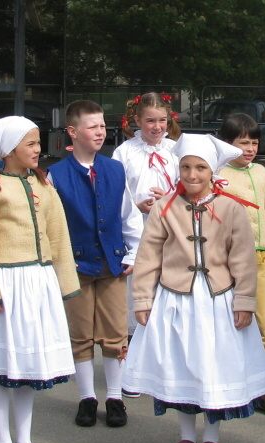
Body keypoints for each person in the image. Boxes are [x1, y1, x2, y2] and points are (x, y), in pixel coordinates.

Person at [121, 133, 265, 443]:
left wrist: (245, 301)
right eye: (186, 167)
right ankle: (187, 436)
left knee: (212, 368)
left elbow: (243, 260)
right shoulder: (164, 208)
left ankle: (212, 440)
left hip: (216, 301)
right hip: (176, 300)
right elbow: (148, 258)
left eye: (200, 168)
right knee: (183, 366)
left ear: (212, 171)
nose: (192, 175)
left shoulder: (230, 208)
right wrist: (143, 299)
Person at [0, 116, 79, 443]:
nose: (38, 149)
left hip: (39, 282)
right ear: (9, 150)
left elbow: (58, 235)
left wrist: (64, 283)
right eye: (30, 144)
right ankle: (1, 442)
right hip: (7, 284)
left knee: (28, 364)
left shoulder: (44, 185)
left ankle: (25, 439)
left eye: (36, 143)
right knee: (3, 366)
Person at [48, 100, 143, 428]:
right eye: (93, 126)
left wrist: (132, 253)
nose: (100, 132)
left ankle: (114, 397)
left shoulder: (115, 169)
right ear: (73, 132)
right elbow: (52, 226)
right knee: (81, 334)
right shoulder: (56, 175)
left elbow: (128, 215)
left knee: (116, 332)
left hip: (113, 265)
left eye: (103, 126)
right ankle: (87, 397)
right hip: (76, 267)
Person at [218, 113, 265, 418]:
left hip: (259, 260)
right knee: (226, 322)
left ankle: (263, 389)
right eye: (242, 142)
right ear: (227, 144)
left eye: (254, 142)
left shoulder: (261, 174)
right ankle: (226, 385)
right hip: (225, 262)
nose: (249, 148)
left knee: (263, 321)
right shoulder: (217, 173)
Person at [112, 92, 181, 397]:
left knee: (170, 296)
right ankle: (133, 369)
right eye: (150, 120)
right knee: (139, 299)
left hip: (173, 233)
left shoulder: (176, 150)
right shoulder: (124, 152)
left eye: (162, 120)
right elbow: (117, 191)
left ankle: (166, 365)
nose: (156, 126)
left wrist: (168, 200)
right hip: (137, 233)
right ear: (137, 121)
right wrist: (137, 205)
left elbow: (191, 184)